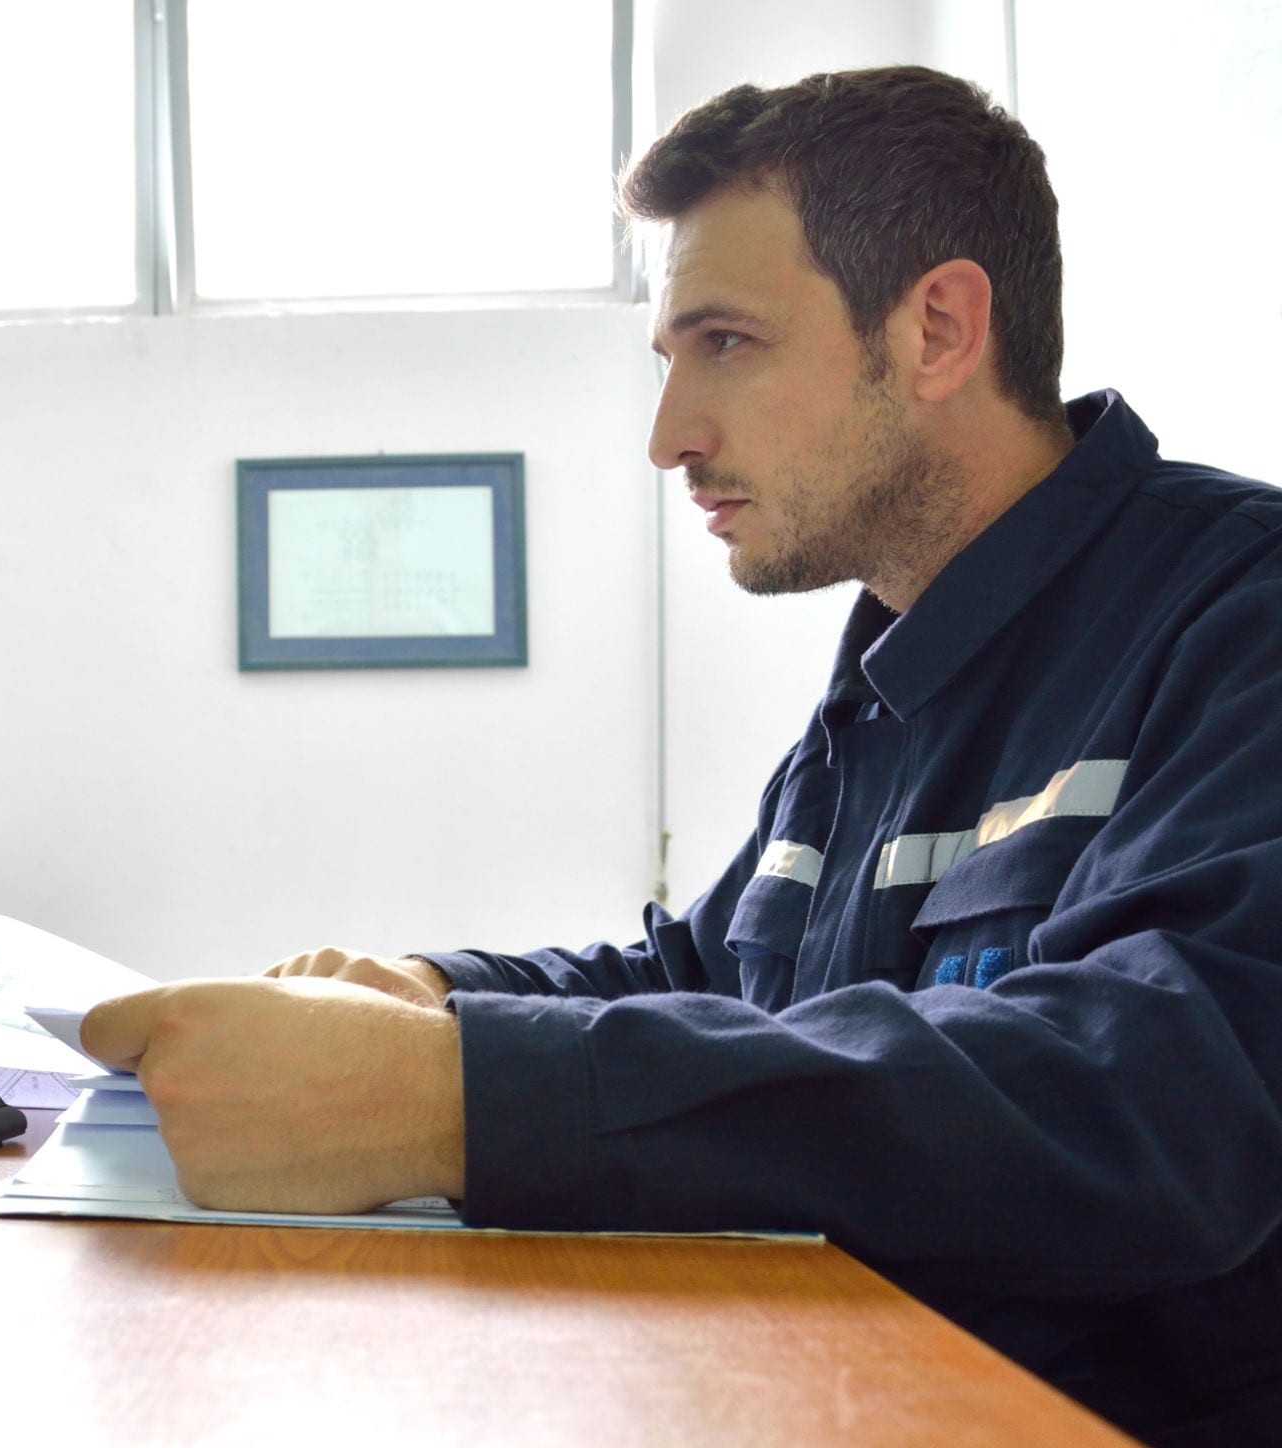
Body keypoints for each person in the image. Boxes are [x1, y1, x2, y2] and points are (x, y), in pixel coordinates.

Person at [80, 66, 1282, 1445]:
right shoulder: (891, 672)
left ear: (940, 329)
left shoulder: (1238, 615)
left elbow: (1157, 1108)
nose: (671, 440)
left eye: (726, 343)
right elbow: (706, 977)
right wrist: (429, 995)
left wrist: (455, 1101)